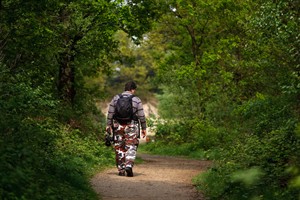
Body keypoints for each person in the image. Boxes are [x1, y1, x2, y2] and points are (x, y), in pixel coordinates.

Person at [106, 81, 147, 177]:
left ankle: (121, 169)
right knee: (131, 145)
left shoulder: (116, 98)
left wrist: (108, 125)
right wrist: (144, 128)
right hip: (131, 126)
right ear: (132, 89)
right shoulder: (136, 100)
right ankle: (128, 165)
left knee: (119, 146)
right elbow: (141, 115)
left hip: (118, 126)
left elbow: (110, 112)